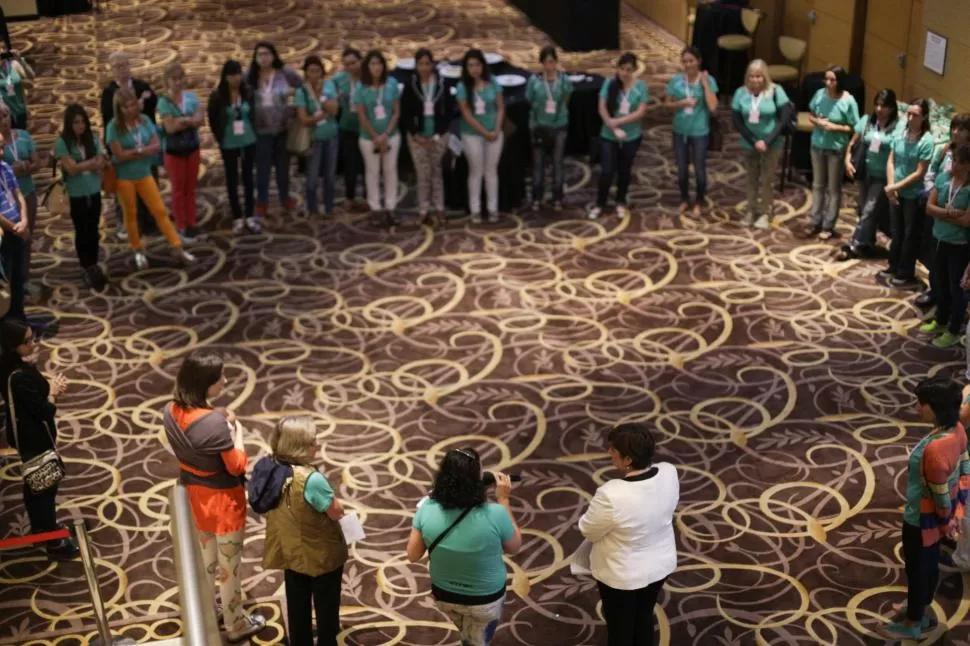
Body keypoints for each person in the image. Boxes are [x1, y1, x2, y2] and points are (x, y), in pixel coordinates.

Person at [162, 351, 266, 643]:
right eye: (220, 377)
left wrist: (216, 418)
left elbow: (195, 439)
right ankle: (235, 624)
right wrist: (236, 431)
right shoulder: (215, 425)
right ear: (204, 383)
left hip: (193, 496)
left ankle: (207, 612)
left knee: (206, 563)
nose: (225, 380)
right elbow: (237, 465)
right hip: (224, 504)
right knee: (229, 569)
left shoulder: (169, 410)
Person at [881, 377, 969, 640]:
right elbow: (964, 467)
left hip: (921, 519)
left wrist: (946, 518)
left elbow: (939, 493)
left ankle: (914, 622)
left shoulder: (934, 449)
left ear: (935, 407)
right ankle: (921, 606)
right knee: (928, 566)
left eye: (922, 402)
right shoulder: (957, 430)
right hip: (939, 517)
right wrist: (956, 512)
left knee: (918, 569)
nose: (917, 406)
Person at [406, 448, 521, 646]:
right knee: (477, 639)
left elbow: (413, 555)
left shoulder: (426, 508)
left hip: (445, 595)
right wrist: (504, 499)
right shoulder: (496, 514)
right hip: (485, 600)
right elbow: (515, 546)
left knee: (467, 632)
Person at [578, 423, 678, 646]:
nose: (609, 453)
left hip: (622, 575)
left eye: (613, 450)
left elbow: (588, 529)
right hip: (660, 565)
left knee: (620, 628)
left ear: (628, 460)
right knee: (643, 617)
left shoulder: (611, 494)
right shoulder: (669, 472)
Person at [256, 416, 348, 646]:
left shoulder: (271, 468)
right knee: (326, 607)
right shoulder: (311, 479)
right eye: (311, 442)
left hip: (289, 549)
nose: (317, 445)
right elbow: (335, 512)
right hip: (320, 555)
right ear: (298, 446)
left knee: (297, 602)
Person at [0, 319, 77, 560]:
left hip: (29, 436)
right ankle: (52, 541)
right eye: (29, 341)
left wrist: (49, 386)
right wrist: (53, 392)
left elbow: (37, 393)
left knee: (36, 485)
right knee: (44, 486)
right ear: (15, 346)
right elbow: (45, 411)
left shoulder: (14, 366)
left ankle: (43, 529)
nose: (34, 343)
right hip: (33, 438)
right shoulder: (18, 376)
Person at [106, 87, 194, 270]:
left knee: (160, 211)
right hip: (124, 178)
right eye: (125, 107)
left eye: (132, 105)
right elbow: (119, 155)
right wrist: (140, 151)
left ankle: (177, 247)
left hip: (144, 173)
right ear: (118, 108)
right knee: (131, 214)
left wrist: (136, 152)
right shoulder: (113, 127)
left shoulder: (144, 120)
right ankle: (137, 250)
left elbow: (155, 145)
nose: (129, 109)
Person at [99, 51, 158, 241]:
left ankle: (149, 221)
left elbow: (153, 106)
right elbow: (109, 118)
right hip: (123, 147)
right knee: (124, 191)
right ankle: (123, 223)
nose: (123, 69)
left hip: (145, 145)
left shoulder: (141, 86)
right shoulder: (109, 93)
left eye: (125, 64)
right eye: (118, 66)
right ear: (112, 69)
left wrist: (142, 106)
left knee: (149, 183)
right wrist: (138, 105)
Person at [839, 89, 902, 261]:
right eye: (877, 105)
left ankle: (854, 243)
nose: (879, 109)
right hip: (866, 172)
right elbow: (853, 141)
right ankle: (868, 243)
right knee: (864, 210)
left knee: (869, 210)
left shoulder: (898, 126)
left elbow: (897, 151)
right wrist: (847, 159)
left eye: (884, 106)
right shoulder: (868, 120)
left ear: (891, 108)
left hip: (882, 176)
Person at [915, 114, 970, 309]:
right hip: (939, 205)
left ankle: (955, 307)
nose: (955, 132)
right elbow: (932, 173)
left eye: (961, 129)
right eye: (953, 128)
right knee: (934, 257)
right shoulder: (944, 150)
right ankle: (935, 291)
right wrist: (934, 194)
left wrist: (947, 211)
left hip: (957, 219)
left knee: (954, 269)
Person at [880, 98, 935, 290]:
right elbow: (891, 161)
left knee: (909, 235)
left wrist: (896, 187)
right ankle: (893, 265)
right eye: (909, 113)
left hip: (912, 195)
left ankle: (905, 272)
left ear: (924, 117)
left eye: (915, 115)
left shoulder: (926, 141)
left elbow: (920, 172)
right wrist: (891, 185)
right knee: (897, 232)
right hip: (895, 190)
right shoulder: (901, 133)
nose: (910, 118)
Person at [54, 103, 109, 291]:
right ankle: (86, 266)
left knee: (93, 229)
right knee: (82, 229)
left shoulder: (93, 138)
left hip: (93, 190)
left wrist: (83, 165)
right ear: (69, 124)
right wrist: (90, 163)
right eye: (76, 122)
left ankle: (93, 264)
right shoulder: (62, 143)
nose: (80, 126)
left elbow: (101, 162)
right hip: (76, 193)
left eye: (82, 121)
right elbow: (70, 168)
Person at [920, 143, 970, 348]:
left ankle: (954, 329)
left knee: (956, 289)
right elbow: (929, 209)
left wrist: (942, 212)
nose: (953, 165)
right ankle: (941, 321)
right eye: (953, 160)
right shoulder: (943, 179)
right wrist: (950, 213)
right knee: (940, 283)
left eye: (957, 161)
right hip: (938, 239)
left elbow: (967, 221)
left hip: (959, 245)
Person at [731, 59, 790, 229]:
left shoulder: (775, 91)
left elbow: (783, 119)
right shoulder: (740, 93)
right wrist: (754, 141)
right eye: (751, 77)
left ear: (764, 77)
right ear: (747, 77)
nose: (755, 80)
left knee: (767, 179)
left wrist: (767, 141)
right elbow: (737, 121)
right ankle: (751, 210)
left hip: (772, 143)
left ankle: (766, 212)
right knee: (751, 178)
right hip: (749, 143)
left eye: (759, 76)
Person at [590, 52, 648, 221]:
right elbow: (601, 107)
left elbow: (641, 111)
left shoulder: (641, 87)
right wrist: (610, 123)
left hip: (631, 136)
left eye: (628, 70)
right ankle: (600, 203)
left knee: (624, 170)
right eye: (622, 69)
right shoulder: (609, 83)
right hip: (608, 135)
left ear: (634, 70)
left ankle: (620, 201)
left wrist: (620, 121)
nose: (624, 73)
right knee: (607, 171)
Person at [804, 65, 860, 240]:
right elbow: (811, 114)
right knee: (817, 185)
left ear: (840, 81)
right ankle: (815, 221)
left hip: (836, 148)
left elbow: (855, 127)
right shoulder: (820, 94)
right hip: (817, 145)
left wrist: (834, 127)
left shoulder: (848, 101)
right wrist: (818, 122)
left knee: (833, 188)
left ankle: (828, 224)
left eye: (832, 80)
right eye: (826, 79)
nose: (828, 83)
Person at [247, 41, 302, 218]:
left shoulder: (285, 73)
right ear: (255, 58)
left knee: (283, 167)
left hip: (282, 128)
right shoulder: (249, 76)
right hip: (260, 130)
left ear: (273, 55)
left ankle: (284, 197)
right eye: (260, 55)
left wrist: (295, 109)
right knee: (262, 168)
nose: (263, 58)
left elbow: (303, 87)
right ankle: (262, 201)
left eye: (266, 54)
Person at [665, 46, 718, 218]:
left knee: (699, 169)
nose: (688, 64)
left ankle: (699, 200)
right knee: (681, 169)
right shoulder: (676, 81)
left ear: (699, 61)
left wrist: (705, 84)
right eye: (685, 61)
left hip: (700, 130)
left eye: (691, 60)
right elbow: (667, 104)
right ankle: (684, 199)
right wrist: (682, 103)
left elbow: (713, 107)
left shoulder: (708, 80)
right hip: (680, 130)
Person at [401, 47, 451, 228]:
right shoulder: (410, 85)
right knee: (423, 174)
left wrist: (436, 135)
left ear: (433, 64)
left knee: (436, 173)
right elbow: (405, 114)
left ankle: (439, 209)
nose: (424, 67)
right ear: (416, 66)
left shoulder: (442, 84)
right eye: (420, 64)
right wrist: (416, 135)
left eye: (427, 63)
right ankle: (423, 210)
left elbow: (448, 113)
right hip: (417, 138)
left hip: (438, 136)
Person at [208, 60, 259, 236]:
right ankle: (237, 216)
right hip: (228, 142)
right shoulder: (217, 96)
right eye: (232, 74)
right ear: (225, 76)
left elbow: (253, 114)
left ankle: (250, 215)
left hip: (248, 139)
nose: (236, 78)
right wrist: (219, 139)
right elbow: (213, 120)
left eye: (238, 73)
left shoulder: (248, 92)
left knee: (248, 178)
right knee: (232, 179)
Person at [354, 49, 401, 228]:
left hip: (392, 136)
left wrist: (386, 135)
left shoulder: (392, 84)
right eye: (373, 64)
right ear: (367, 67)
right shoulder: (361, 88)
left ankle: (391, 207)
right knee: (372, 172)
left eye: (379, 64)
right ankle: (375, 208)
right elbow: (362, 116)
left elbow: (396, 112)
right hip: (368, 138)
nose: (376, 68)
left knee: (390, 171)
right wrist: (376, 137)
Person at [157, 62, 204, 243]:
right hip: (174, 151)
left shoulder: (191, 97)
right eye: (173, 79)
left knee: (190, 188)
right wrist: (189, 120)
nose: (178, 82)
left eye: (180, 78)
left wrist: (182, 121)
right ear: (167, 82)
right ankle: (181, 225)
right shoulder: (164, 102)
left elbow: (200, 119)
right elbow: (170, 128)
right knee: (178, 190)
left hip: (192, 147)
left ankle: (191, 222)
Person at [457, 48, 505, 225]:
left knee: (491, 171)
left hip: (495, 132)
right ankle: (475, 210)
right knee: (476, 171)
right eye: (470, 65)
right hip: (472, 135)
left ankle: (493, 209)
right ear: (466, 68)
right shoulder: (462, 87)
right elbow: (467, 114)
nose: (474, 69)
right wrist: (484, 132)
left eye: (477, 65)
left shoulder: (493, 82)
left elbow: (500, 107)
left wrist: (496, 129)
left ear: (483, 65)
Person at [526, 46, 573, 212]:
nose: (549, 66)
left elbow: (566, 99)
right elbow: (530, 101)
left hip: (559, 126)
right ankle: (537, 198)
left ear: (556, 62)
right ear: (541, 63)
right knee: (538, 164)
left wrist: (557, 117)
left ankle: (557, 198)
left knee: (557, 162)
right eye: (546, 62)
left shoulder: (564, 81)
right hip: (539, 126)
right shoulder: (534, 82)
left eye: (552, 62)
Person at [295, 55, 339, 217]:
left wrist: (320, 96)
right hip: (313, 140)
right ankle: (312, 208)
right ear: (306, 73)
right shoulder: (301, 92)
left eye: (318, 71)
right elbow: (304, 119)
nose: (314, 74)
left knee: (330, 175)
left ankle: (329, 207)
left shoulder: (329, 85)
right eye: (311, 71)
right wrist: (319, 117)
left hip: (332, 136)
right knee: (312, 177)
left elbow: (335, 109)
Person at [0, 102, 38, 292]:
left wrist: (24, 168)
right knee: (9, 245)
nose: (4, 121)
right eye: (0, 118)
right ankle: (10, 284)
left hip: (27, 193)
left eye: (5, 116)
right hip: (5, 205)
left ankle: (25, 278)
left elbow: (37, 163)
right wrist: (15, 169)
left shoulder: (23, 136)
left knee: (27, 236)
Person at [0, 130, 29, 322]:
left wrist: (25, 220)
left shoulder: (4, 167)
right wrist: (14, 227)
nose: (2, 152)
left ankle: (20, 322)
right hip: (4, 234)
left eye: (2, 147)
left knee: (18, 279)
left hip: (18, 228)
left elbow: (18, 194)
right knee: (6, 282)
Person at [334, 47, 366, 210]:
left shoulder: (369, 79)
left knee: (368, 163)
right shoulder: (340, 79)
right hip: (347, 126)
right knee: (350, 164)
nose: (350, 67)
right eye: (347, 65)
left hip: (366, 127)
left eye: (353, 63)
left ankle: (368, 197)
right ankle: (350, 196)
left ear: (361, 61)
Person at [0, 41, 34, 130]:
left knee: (23, 139)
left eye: (4, 48)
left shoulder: (14, 65)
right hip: (4, 117)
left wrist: (20, 60)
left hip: (20, 112)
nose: (2, 51)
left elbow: (31, 76)